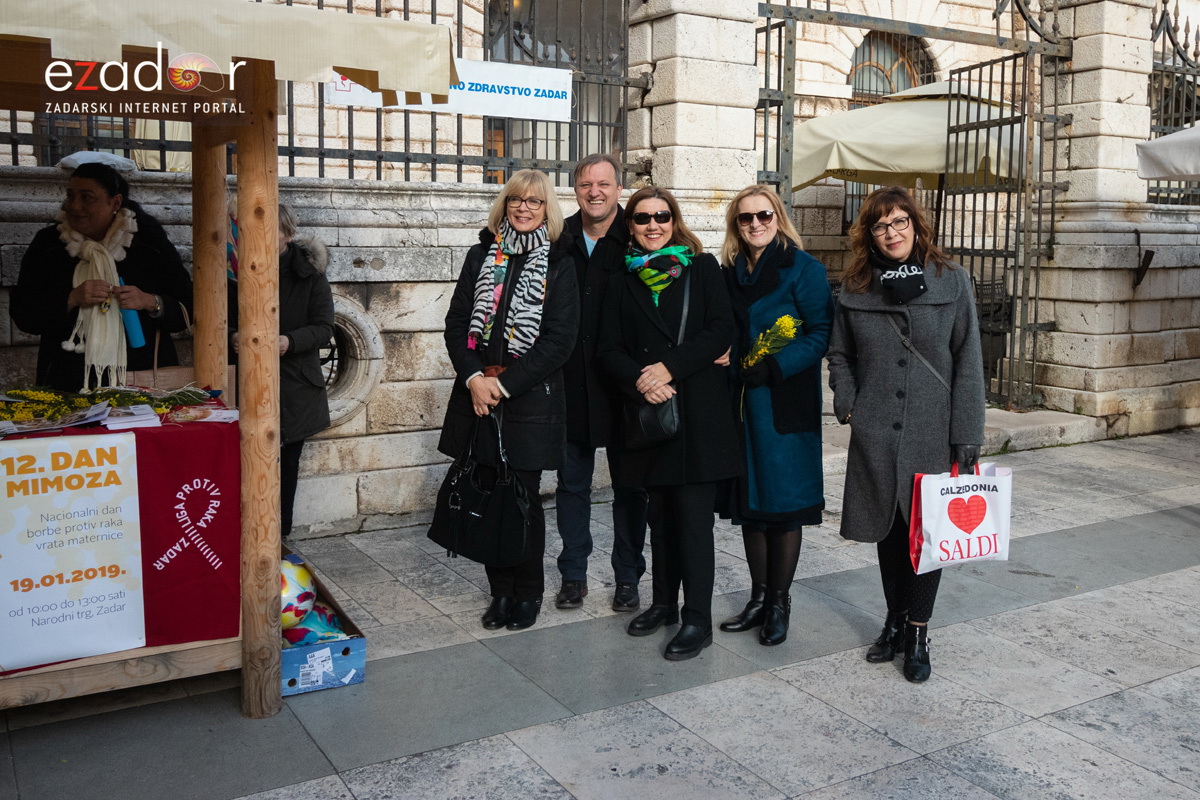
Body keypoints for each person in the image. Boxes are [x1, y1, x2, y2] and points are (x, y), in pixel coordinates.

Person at [827, 185, 985, 682]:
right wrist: (848, 401)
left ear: (916, 225)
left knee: (926, 534)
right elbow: (839, 354)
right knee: (888, 531)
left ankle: (918, 632)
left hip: (932, 429)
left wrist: (967, 433)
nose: (891, 233)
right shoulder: (856, 287)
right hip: (874, 429)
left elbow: (969, 359)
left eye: (899, 222)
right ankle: (894, 621)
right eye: (880, 225)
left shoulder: (951, 280)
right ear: (869, 235)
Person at [597, 187, 739, 661]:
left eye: (661, 216)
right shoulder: (622, 279)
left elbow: (720, 329)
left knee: (693, 523)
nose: (653, 225)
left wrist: (668, 368)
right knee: (659, 518)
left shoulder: (702, 268)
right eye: (642, 218)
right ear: (630, 226)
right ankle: (663, 604)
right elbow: (607, 349)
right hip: (651, 415)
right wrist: (643, 381)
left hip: (697, 415)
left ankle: (698, 619)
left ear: (674, 220)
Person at [439, 169, 579, 632]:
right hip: (478, 395)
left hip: (529, 400)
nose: (524, 207)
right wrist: (474, 378)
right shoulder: (481, 255)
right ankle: (500, 592)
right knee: (486, 490)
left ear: (546, 209)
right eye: (516, 199)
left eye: (534, 201)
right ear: (504, 205)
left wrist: (502, 385)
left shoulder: (559, 262)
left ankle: (528, 591)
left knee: (522, 500)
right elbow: (457, 323)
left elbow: (559, 341)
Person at [717, 186, 833, 647]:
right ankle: (758, 598)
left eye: (763, 215)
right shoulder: (730, 271)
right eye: (745, 218)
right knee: (752, 506)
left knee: (783, 507)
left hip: (784, 400)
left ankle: (780, 603)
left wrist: (774, 365)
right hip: (741, 404)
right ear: (736, 225)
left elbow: (820, 333)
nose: (755, 224)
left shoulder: (803, 268)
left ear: (778, 217)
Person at [554, 154, 650, 613]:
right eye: (586, 184)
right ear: (575, 189)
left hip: (624, 387)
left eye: (604, 184)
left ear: (618, 189)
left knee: (631, 489)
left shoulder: (639, 236)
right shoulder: (558, 238)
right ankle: (573, 574)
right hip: (569, 385)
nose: (595, 192)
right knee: (571, 486)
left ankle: (628, 576)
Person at [13, 161, 193, 391]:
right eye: (70, 196)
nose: (74, 206)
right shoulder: (49, 244)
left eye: (87, 197)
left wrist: (149, 301)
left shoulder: (149, 242)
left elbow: (187, 307)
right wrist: (71, 299)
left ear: (115, 202)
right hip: (68, 379)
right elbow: (24, 314)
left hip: (142, 378)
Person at [231, 205, 334, 540]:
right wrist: (232, 336)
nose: (260, 237)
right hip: (244, 382)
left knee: (286, 463)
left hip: (294, 385)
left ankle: (279, 536)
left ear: (288, 234)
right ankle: (243, 533)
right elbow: (216, 317)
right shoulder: (233, 268)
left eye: (270, 230)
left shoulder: (310, 273)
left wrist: (288, 341)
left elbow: (324, 328)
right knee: (242, 459)